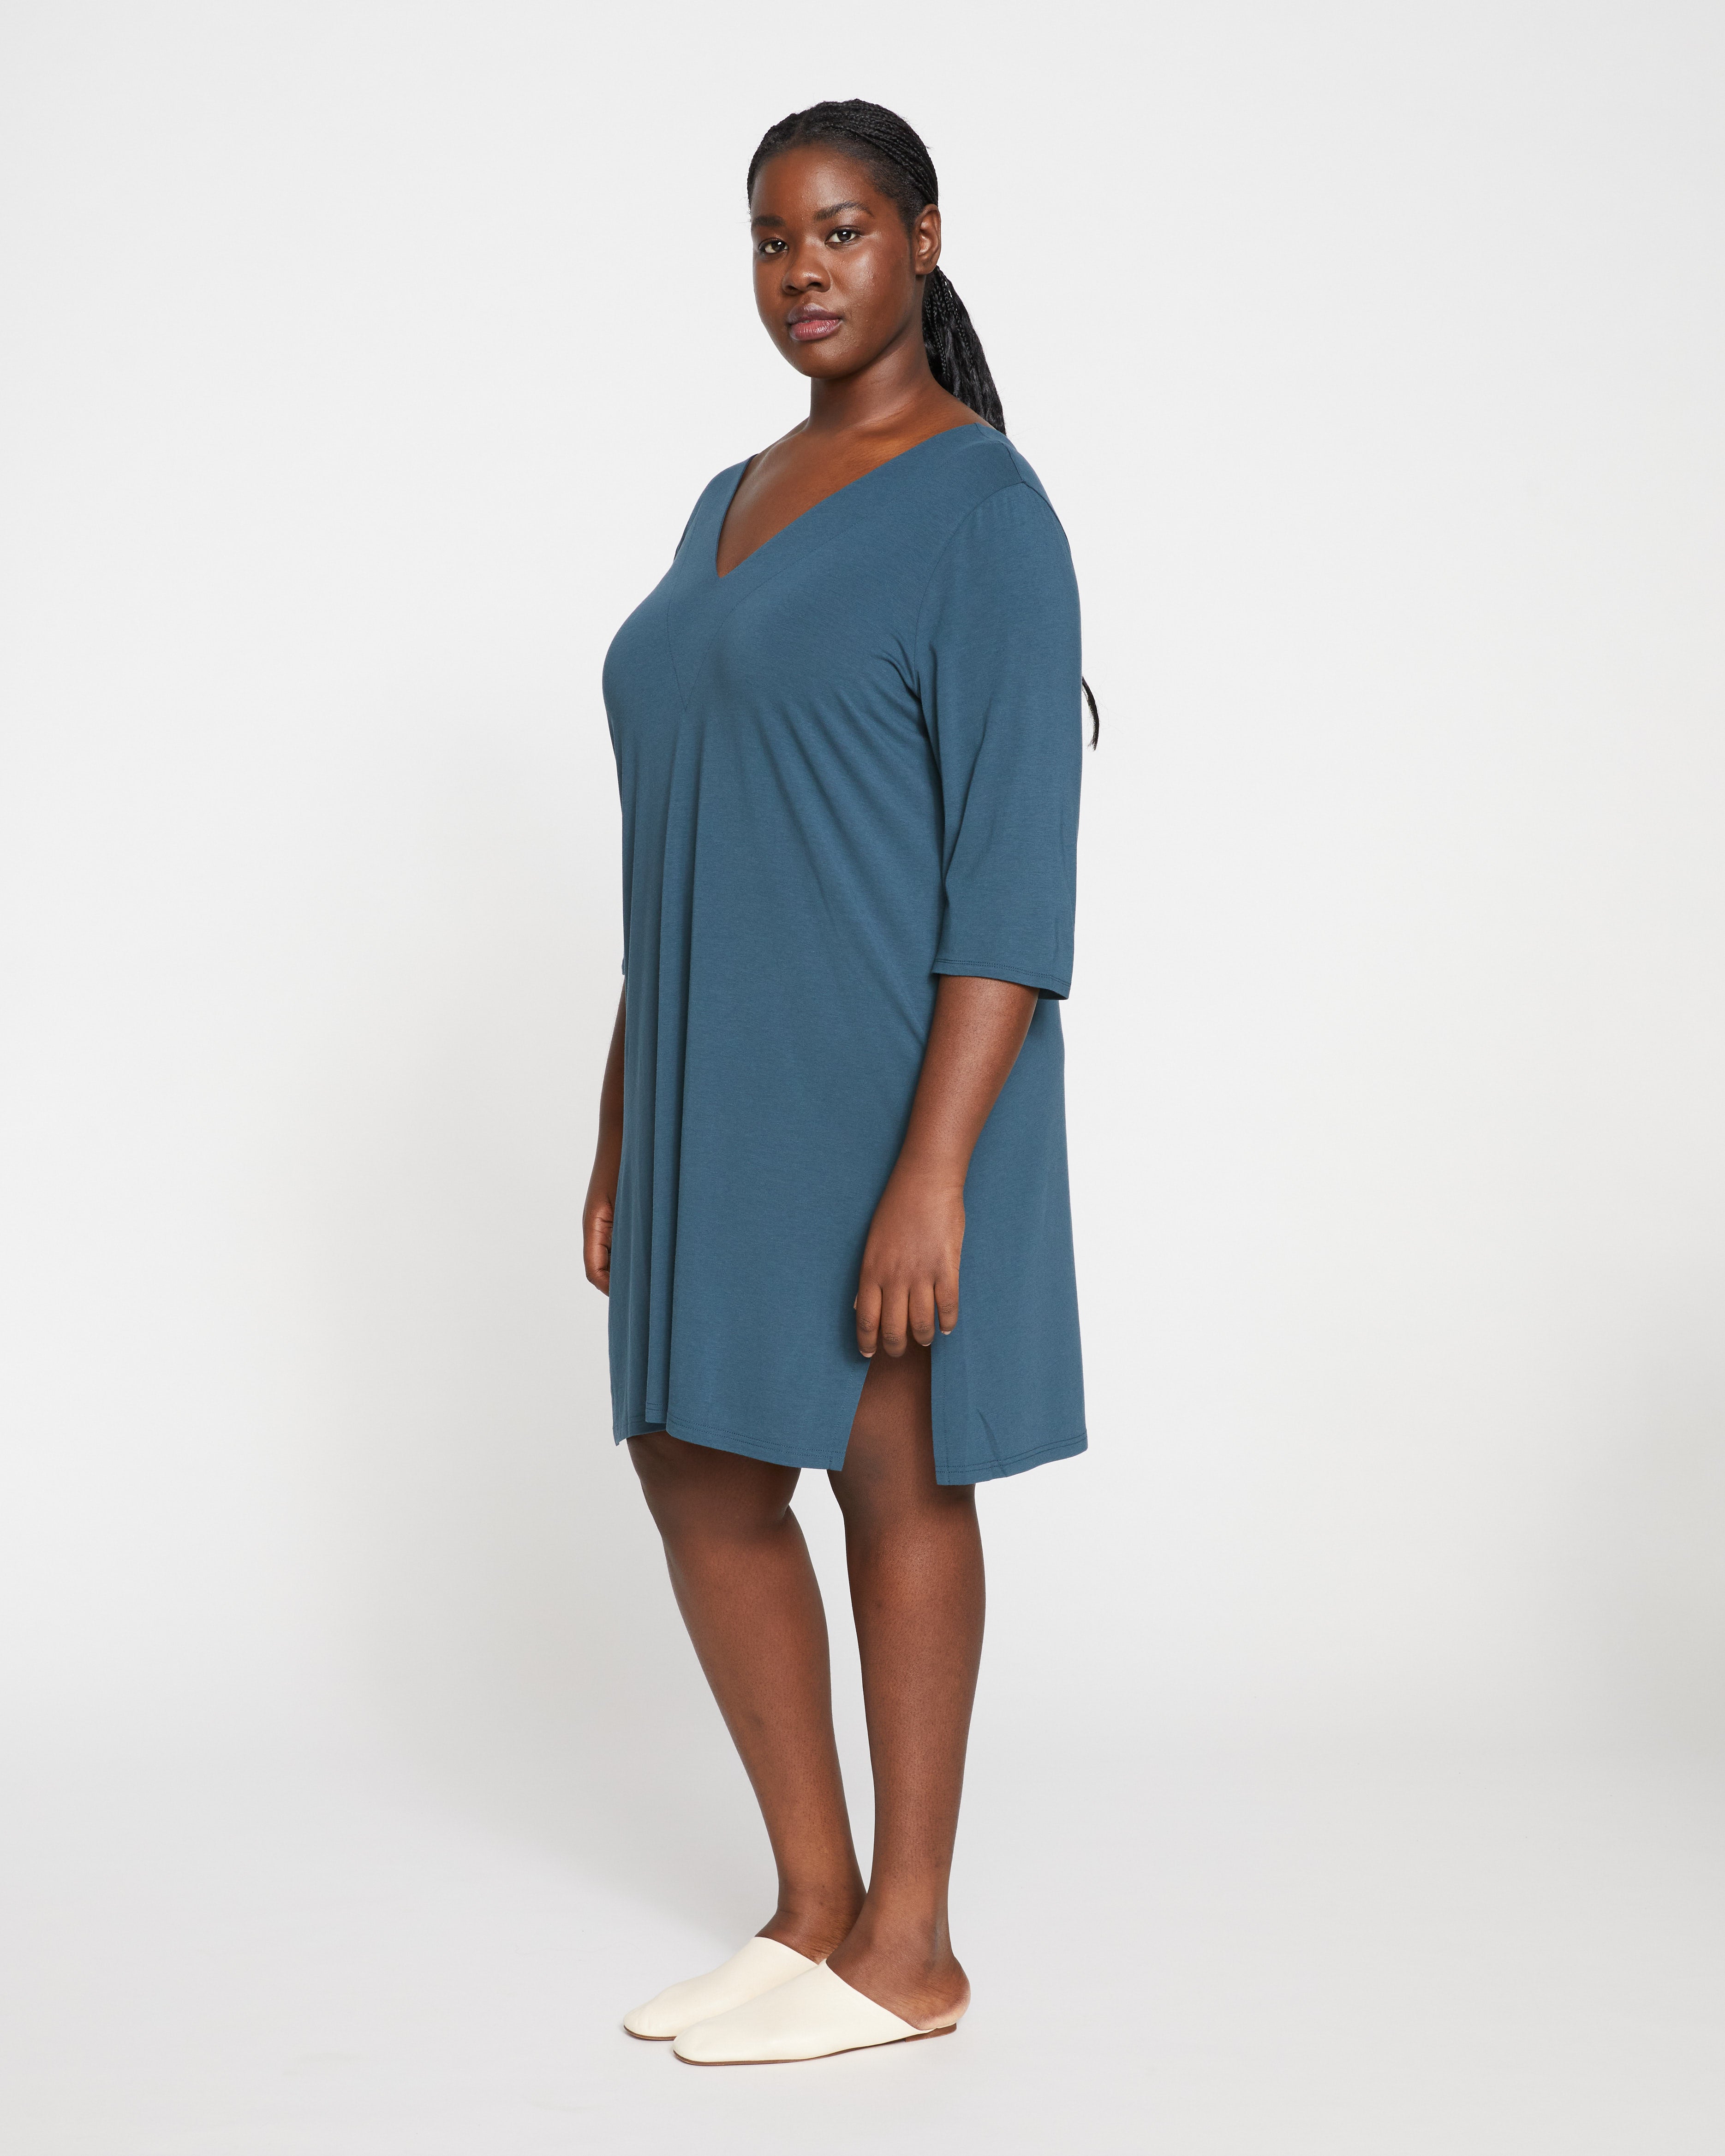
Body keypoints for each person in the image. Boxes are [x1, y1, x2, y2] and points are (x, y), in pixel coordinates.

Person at [586, 98, 1092, 2067]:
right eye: (772, 238)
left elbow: (1013, 877)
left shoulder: (983, 509)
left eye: (842, 230)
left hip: (894, 1073)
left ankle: (911, 1945)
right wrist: (623, 1115)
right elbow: (683, 831)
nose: (802, 269)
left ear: (922, 240)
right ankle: (809, 1908)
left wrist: (934, 1170)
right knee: (696, 1456)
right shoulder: (727, 495)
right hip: (713, 1068)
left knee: (893, 1462)